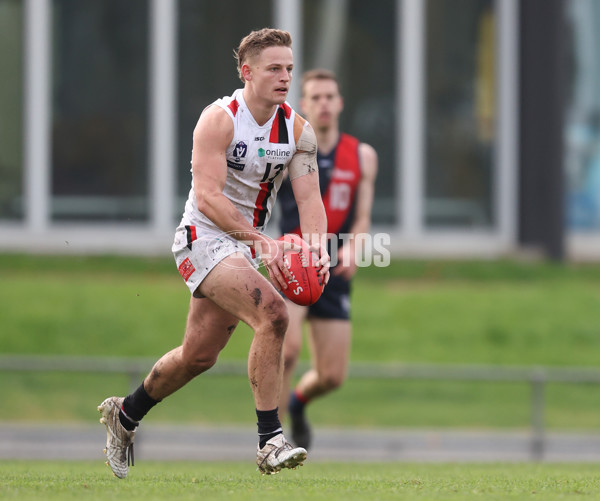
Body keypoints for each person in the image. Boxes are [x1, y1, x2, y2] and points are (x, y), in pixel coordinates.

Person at [97, 28, 330, 478]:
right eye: (274, 69)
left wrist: (318, 248)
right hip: (202, 237)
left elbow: (309, 202)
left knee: (198, 356)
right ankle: (270, 441)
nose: (285, 77)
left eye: (288, 68)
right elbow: (207, 198)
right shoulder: (220, 119)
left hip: (243, 247)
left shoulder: (299, 132)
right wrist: (264, 244)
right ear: (247, 72)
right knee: (274, 315)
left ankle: (125, 415)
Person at [277, 69, 378, 450]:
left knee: (332, 376)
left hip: (334, 267)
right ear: (303, 104)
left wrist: (354, 246)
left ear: (340, 103)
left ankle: (297, 405)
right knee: (287, 350)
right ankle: (273, 439)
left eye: (329, 97)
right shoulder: (287, 148)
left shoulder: (362, 156)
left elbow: (363, 215)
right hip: (295, 260)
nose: (323, 104)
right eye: (315, 97)